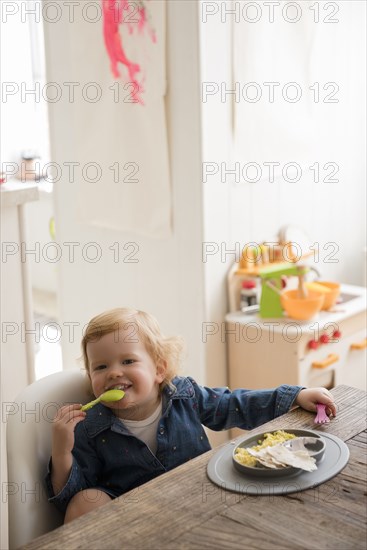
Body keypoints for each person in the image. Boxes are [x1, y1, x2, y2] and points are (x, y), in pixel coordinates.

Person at [46, 307, 337, 522]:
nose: (114, 373)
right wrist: (62, 452)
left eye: (128, 360)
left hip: (199, 498)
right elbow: (72, 499)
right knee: (85, 502)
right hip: (132, 518)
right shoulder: (90, 426)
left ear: (159, 369)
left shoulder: (184, 395)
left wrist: (293, 397)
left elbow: (234, 405)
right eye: (101, 367)